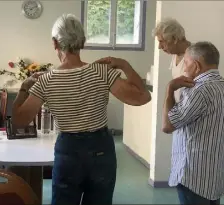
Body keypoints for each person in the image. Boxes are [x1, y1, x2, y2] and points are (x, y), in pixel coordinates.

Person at [12, 14, 151, 205]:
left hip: (68, 150)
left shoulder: (46, 80)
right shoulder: (101, 72)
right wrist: (124, 65)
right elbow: (143, 97)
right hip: (101, 150)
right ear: (82, 41)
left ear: (55, 43)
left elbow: (19, 121)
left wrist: (24, 87)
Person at [162, 41, 224, 205]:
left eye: (187, 63)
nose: (184, 69)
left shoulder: (198, 90)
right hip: (216, 175)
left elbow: (167, 125)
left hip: (194, 176)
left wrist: (170, 89)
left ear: (196, 65)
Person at [152, 17, 191, 102]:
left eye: (162, 41)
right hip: (179, 110)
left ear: (175, 39)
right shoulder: (175, 54)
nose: (159, 47)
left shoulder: (194, 56)